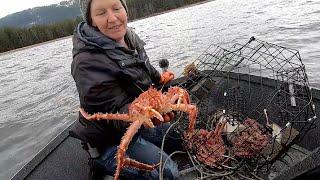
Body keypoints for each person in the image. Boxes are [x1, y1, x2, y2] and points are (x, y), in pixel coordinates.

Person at [71, 0, 181, 179]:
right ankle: (104, 165)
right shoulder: (86, 62)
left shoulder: (129, 38)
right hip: (110, 138)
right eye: (101, 13)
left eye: (116, 8)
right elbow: (112, 111)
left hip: (140, 120)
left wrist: (159, 78)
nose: (112, 18)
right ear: (91, 20)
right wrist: (147, 113)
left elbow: (144, 65)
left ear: (125, 10)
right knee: (168, 174)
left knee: (178, 138)